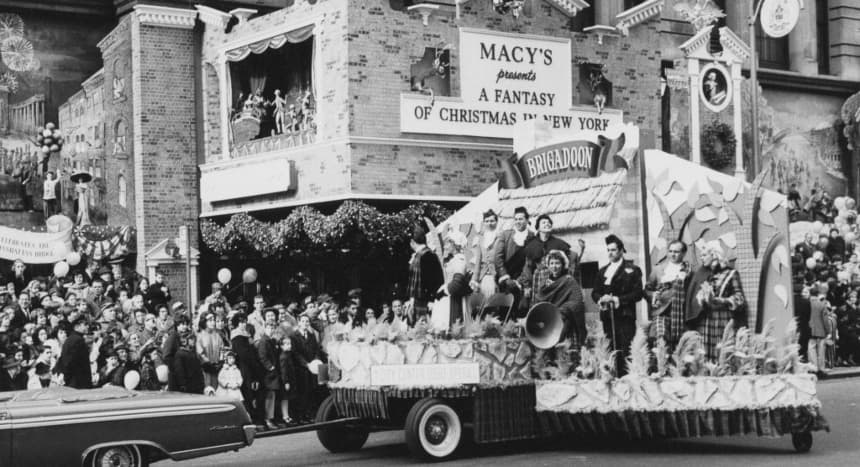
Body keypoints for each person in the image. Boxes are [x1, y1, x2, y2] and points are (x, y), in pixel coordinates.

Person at [591, 234, 643, 376]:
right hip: (608, 316)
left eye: (613, 250)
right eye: (608, 250)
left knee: (625, 348)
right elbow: (595, 292)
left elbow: (638, 294)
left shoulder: (633, 270)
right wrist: (601, 299)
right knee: (610, 348)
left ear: (621, 251)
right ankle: (612, 377)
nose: (610, 253)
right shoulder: (602, 271)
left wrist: (617, 299)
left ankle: (627, 379)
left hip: (625, 316)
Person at [687, 242, 746, 361]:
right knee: (703, 355)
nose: (701, 258)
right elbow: (693, 298)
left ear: (713, 255)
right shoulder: (702, 274)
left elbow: (739, 299)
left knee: (723, 353)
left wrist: (720, 301)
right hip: (704, 320)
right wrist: (701, 299)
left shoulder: (731, 273)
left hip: (723, 319)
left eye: (704, 255)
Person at [521, 214, 583, 309]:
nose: (547, 224)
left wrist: (580, 251)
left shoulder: (559, 243)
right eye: (544, 222)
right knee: (539, 306)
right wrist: (526, 286)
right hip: (539, 278)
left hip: (556, 278)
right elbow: (527, 267)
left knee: (555, 305)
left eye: (549, 222)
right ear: (538, 228)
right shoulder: (532, 244)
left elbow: (572, 259)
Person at [533, 250, 586, 348]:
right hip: (547, 318)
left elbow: (577, 301)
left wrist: (561, 311)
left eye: (557, 263)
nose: (554, 266)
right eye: (552, 263)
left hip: (564, 318)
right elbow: (538, 301)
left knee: (560, 334)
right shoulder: (545, 283)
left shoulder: (569, 280)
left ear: (562, 265)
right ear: (548, 266)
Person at [644, 240, 691, 350]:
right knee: (661, 343)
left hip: (681, 315)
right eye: (670, 251)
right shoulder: (658, 269)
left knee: (682, 347)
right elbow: (647, 290)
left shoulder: (689, 271)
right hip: (662, 312)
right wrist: (653, 296)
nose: (672, 254)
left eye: (676, 252)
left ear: (683, 253)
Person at [495, 207, 535, 315]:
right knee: (505, 310)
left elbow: (530, 262)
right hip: (506, 277)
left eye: (521, 219)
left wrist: (520, 281)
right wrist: (506, 277)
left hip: (524, 278)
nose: (518, 222)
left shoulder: (533, 237)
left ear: (527, 220)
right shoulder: (505, 235)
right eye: (516, 219)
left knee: (522, 309)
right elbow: (498, 257)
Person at [407, 224, 444, 321]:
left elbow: (437, 280)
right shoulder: (418, 255)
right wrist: (411, 300)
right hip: (417, 301)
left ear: (412, 242)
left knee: (424, 331)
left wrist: (432, 299)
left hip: (426, 302)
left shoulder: (428, 255)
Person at [56, 317, 93, 389]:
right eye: (85, 324)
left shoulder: (71, 339)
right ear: (76, 326)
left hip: (74, 380)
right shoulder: (77, 340)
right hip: (78, 381)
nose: (87, 326)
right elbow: (70, 361)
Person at [471, 210, 500, 299]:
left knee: (493, 302)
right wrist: (474, 279)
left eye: (492, 221)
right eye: (487, 221)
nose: (489, 223)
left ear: (496, 222)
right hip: (483, 276)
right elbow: (478, 260)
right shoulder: (480, 239)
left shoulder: (500, 237)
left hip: (495, 275)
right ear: (483, 223)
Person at [278, 336, 298, 425]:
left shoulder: (288, 355)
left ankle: (287, 416)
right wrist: (286, 382)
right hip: (286, 381)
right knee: (285, 398)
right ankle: (285, 416)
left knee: (287, 399)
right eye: (287, 344)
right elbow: (283, 371)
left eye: (290, 344)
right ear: (282, 346)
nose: (289, 346)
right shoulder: (283, 357)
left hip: (290, 380)